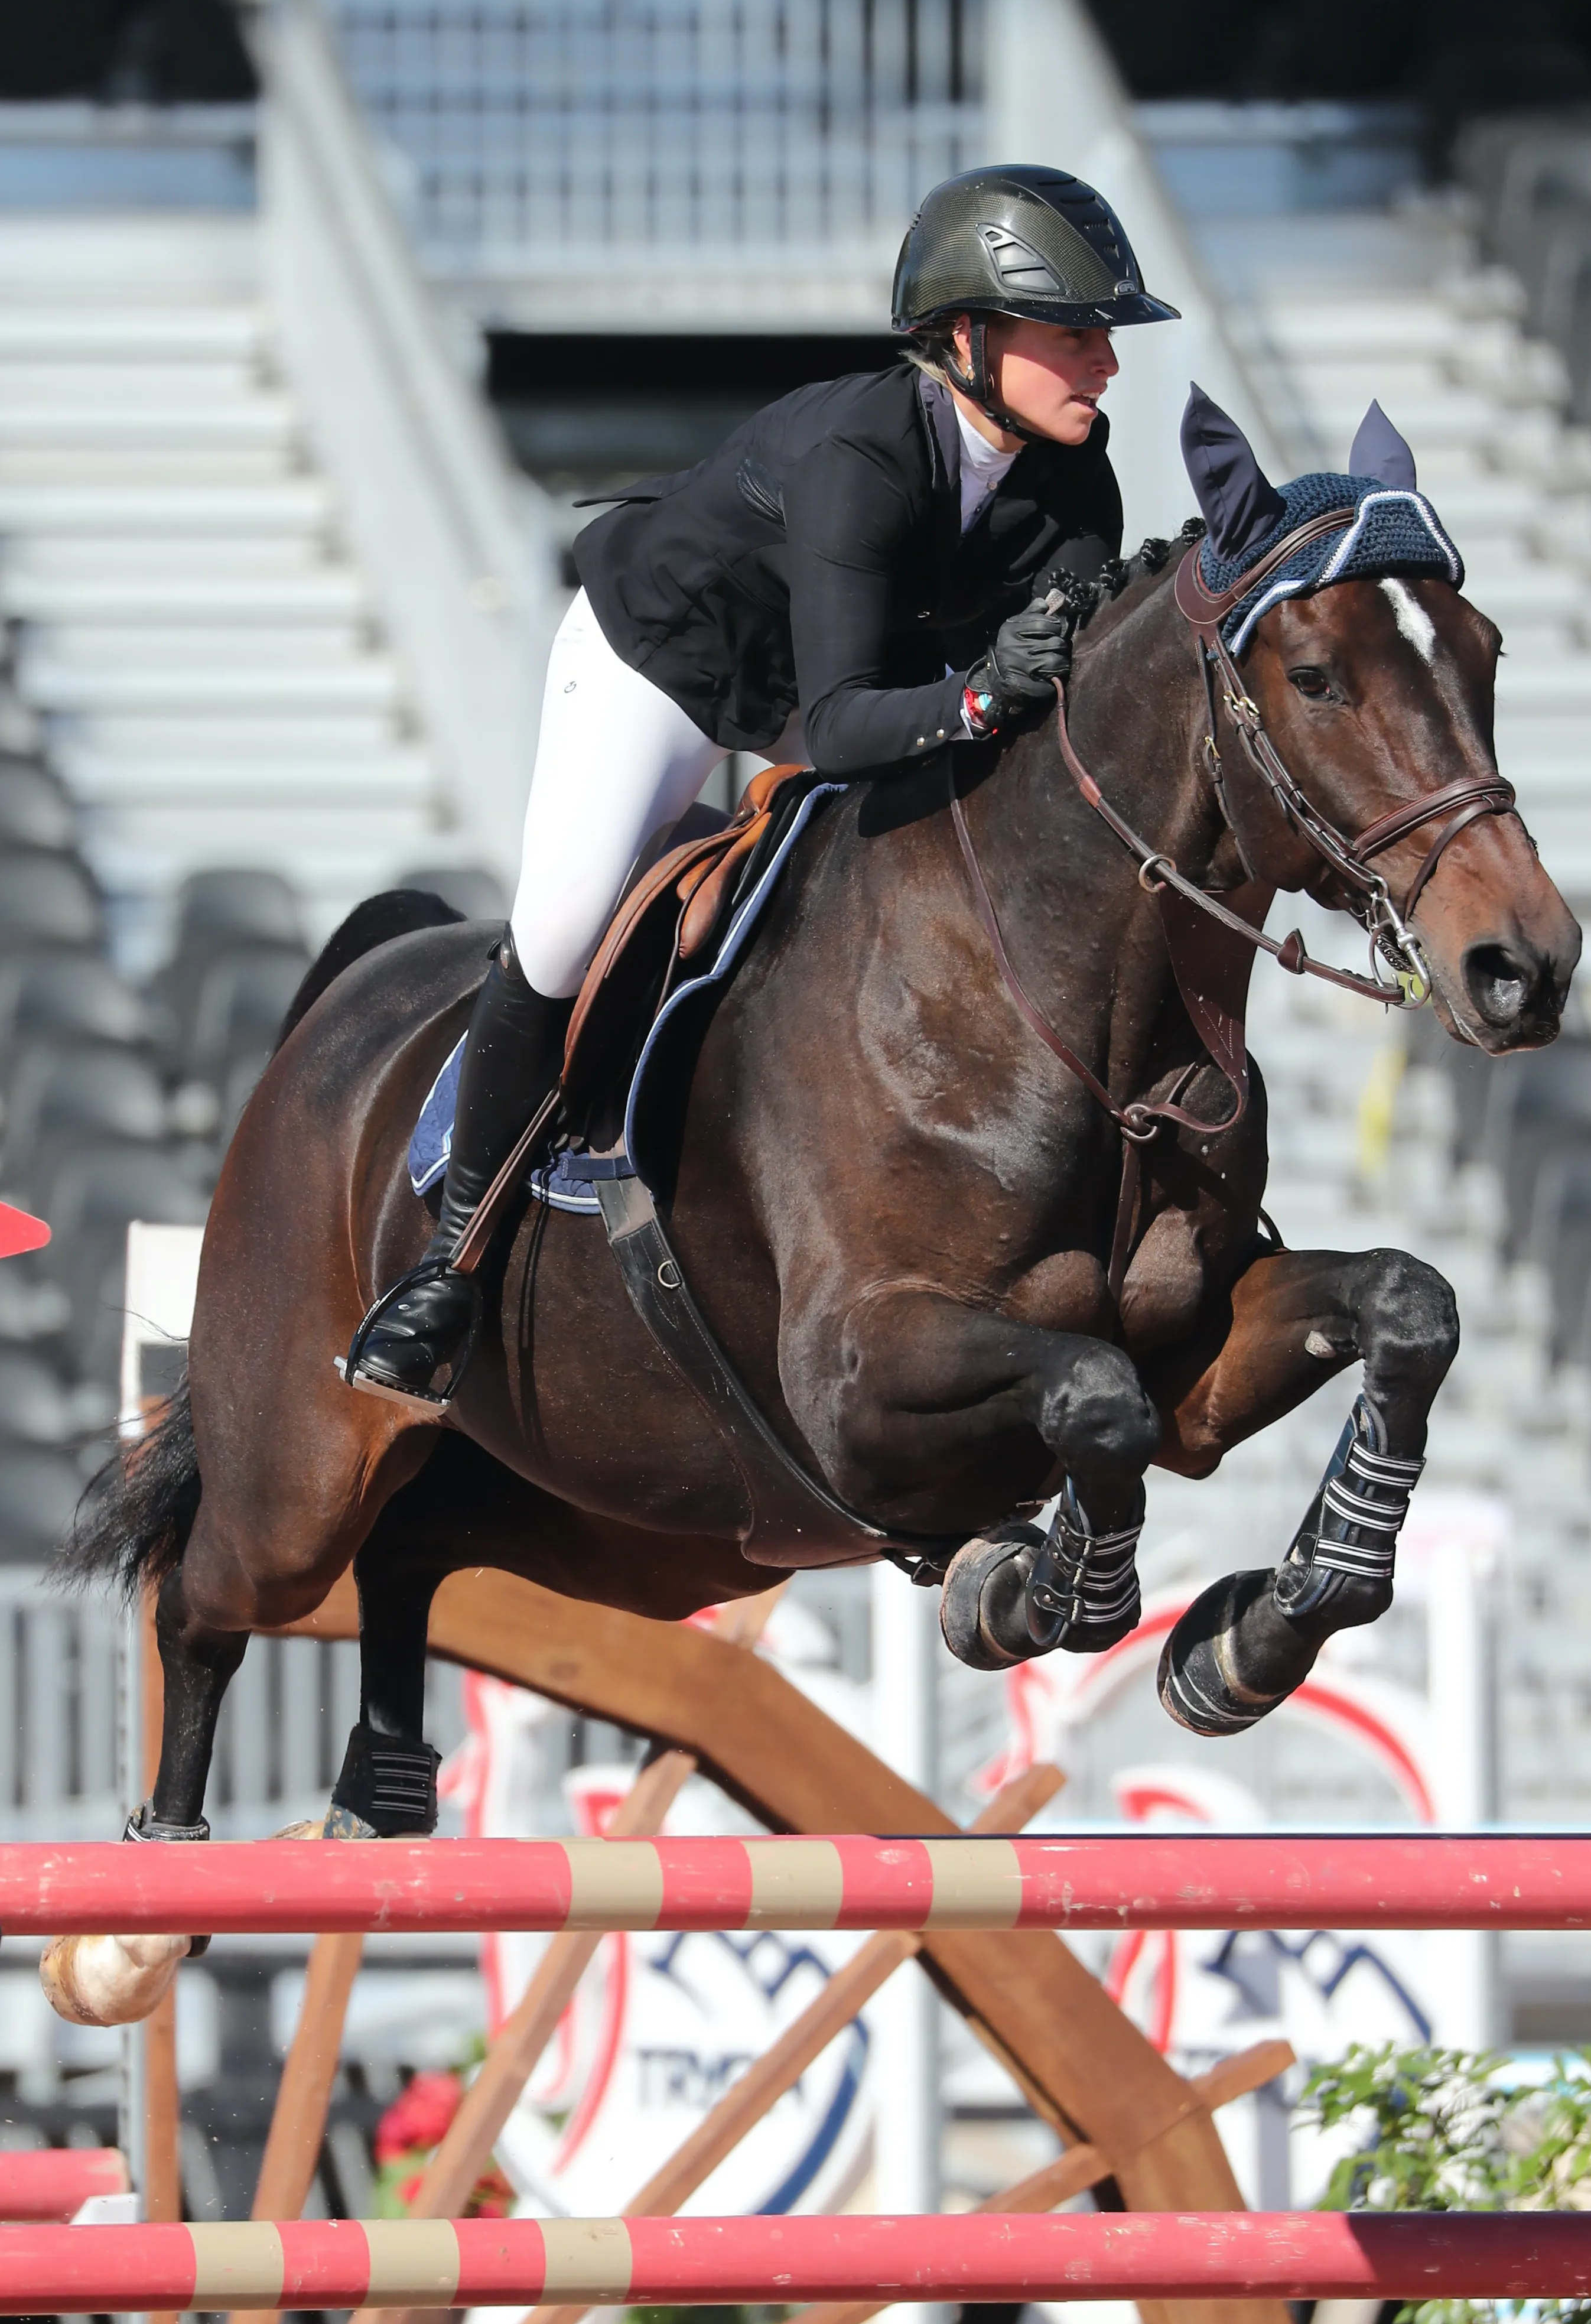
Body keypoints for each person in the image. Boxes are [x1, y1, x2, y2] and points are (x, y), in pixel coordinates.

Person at [346, 163, 1178, 1408]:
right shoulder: (861, 449)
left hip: (840, 687)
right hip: (665, 667)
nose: (1104, 362)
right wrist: (972, 697)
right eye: (1073, 334)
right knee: (569, 922)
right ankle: (447, 1262)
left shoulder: (1074, 478)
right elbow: (843, 725)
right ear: (964, 337)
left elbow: (1028, 693)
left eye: (1103, 334)